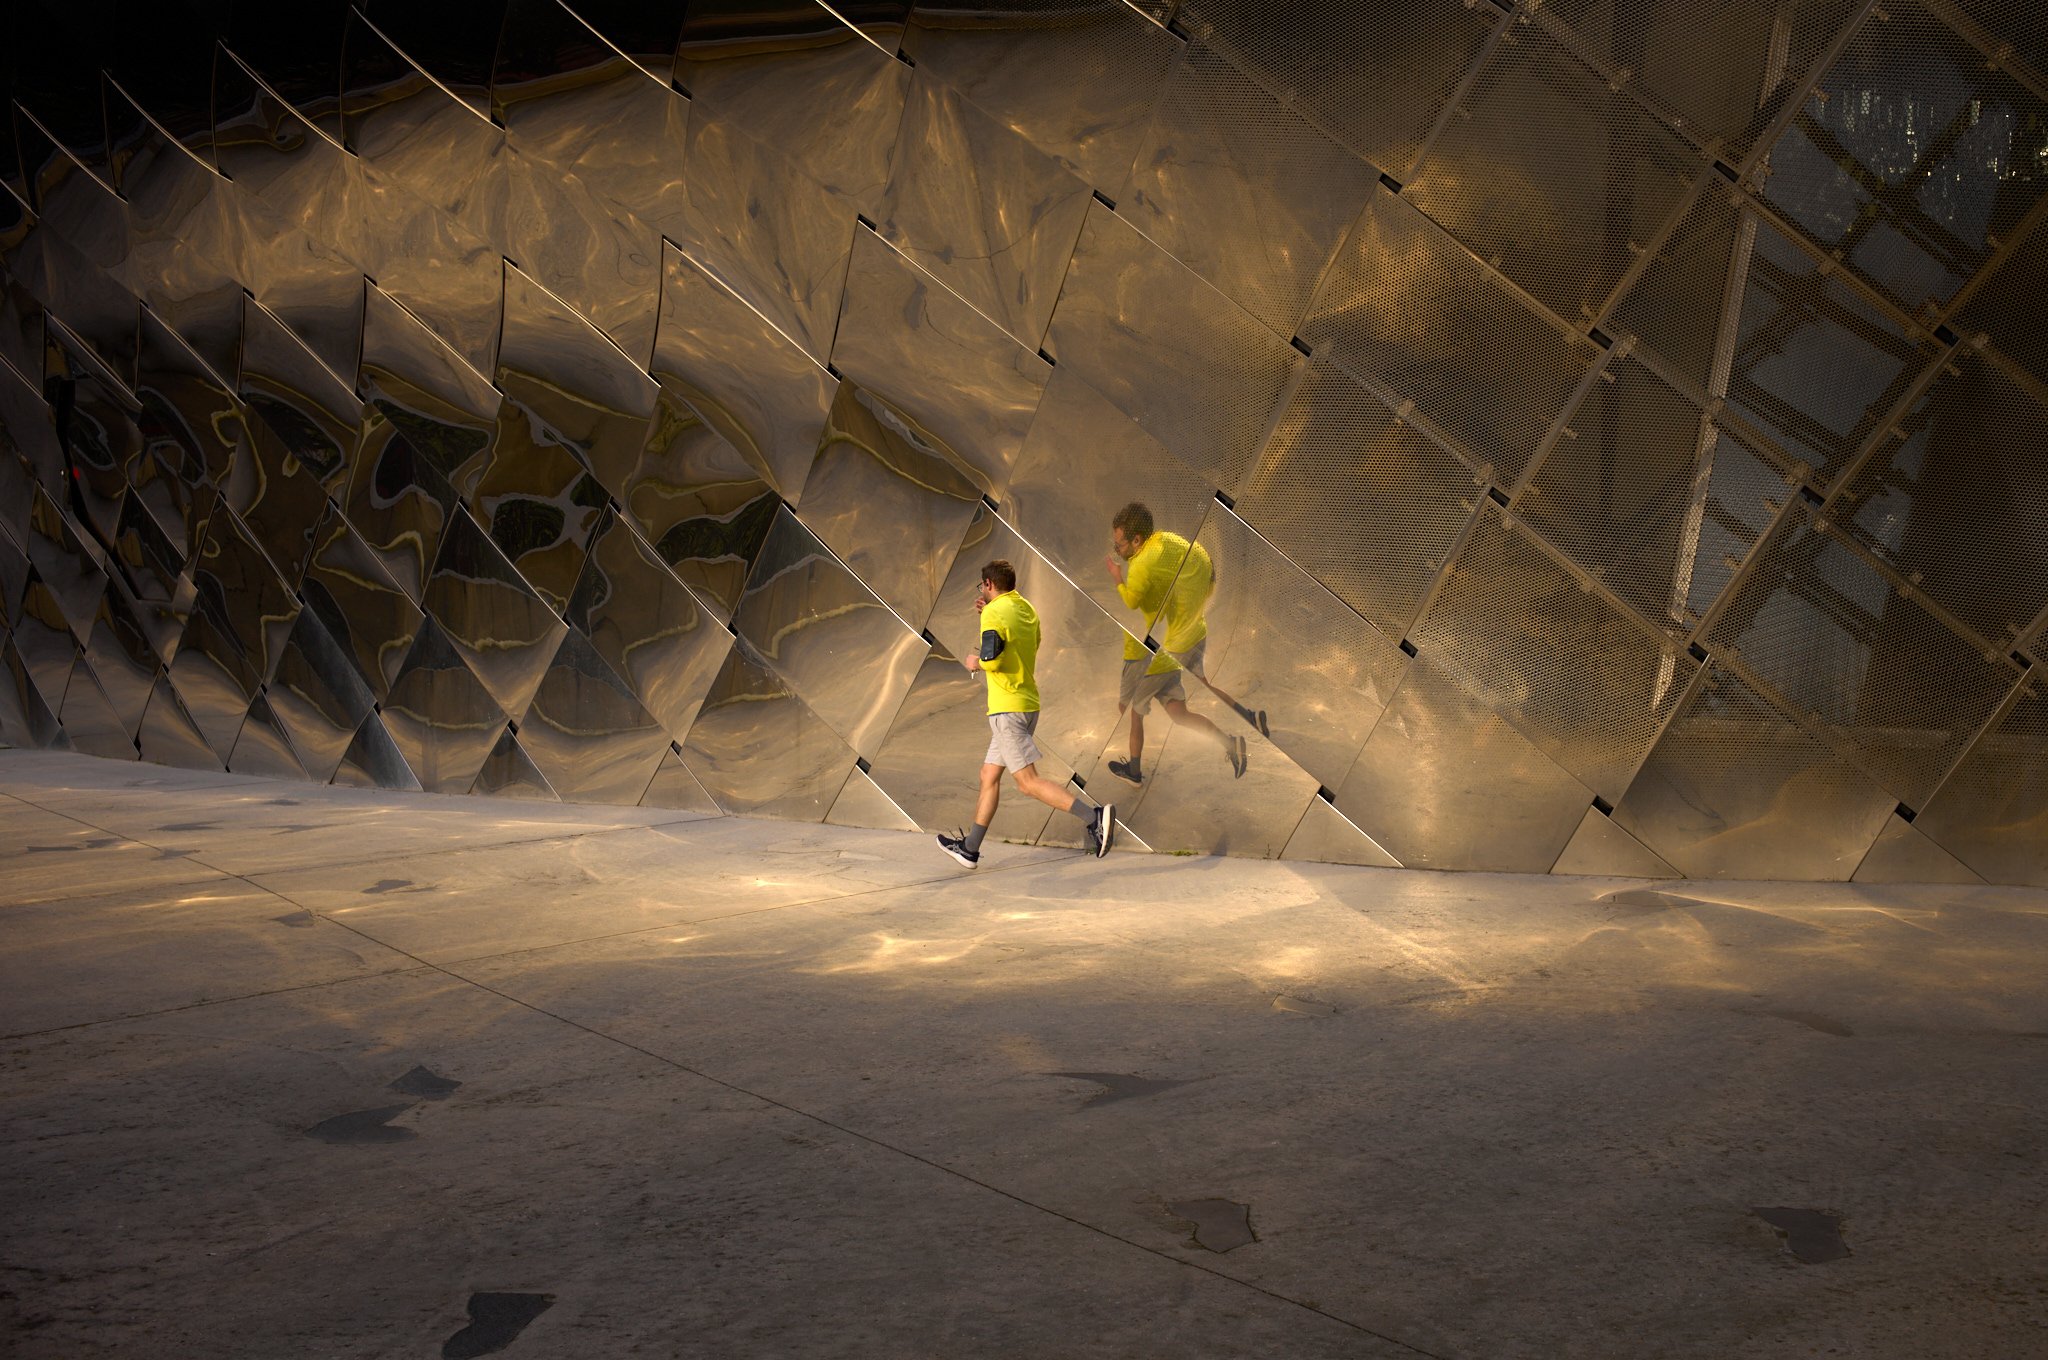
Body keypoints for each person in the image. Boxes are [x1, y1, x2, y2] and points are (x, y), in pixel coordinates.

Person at [938, 559, 1114, 868]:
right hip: (1027, 703)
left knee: (1027, 782)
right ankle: (970, 848)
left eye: (983, 587)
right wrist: (989, 612)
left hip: (1007, 709)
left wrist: (973, 662)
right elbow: (1027, 642)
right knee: (988, 774)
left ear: (989, 584)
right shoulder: (1026, 609)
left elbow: (991, 660)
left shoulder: (993, 612)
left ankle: (1094, 817)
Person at [1103, 502, 1267, 786]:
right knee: (1180, 712)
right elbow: (1204, 559)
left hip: (1169, 648)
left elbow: (1131, 602)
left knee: (1131, 707)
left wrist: (1118, 578)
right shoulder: (1169, 540)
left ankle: (1135, 771)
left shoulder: (1141, 564)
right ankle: (1238, 731)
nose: (1118, 550)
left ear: (1137, 540)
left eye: (1120, 544)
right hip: (1194, 632)